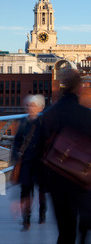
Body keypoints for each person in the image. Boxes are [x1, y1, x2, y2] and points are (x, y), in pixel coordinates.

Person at [38, 68, 91, 244]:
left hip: (57, 183)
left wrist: (40, 186)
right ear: (79, 88)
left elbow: (38, 151)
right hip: (83, 181)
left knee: (65, 236)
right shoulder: (89, 116)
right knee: (87, 226)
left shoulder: (48, 115)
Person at [11, 94, 47, 231]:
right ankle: (26, 219)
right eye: (28, 106)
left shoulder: (43, 122)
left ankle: (42, 212)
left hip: (40, 162)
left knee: (41, 190)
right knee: (25, 190)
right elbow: (17, 141)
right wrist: (16, 156)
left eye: (33, 106)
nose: (30, 108)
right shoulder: (23, 122)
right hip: (26, 161)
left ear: (39, 108)